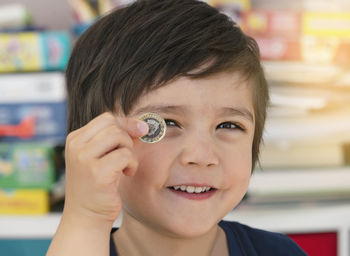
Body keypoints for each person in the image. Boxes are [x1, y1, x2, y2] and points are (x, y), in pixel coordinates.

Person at [47, 0, 307, 255]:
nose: (202, 156)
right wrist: (85, 217)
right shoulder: (78, 244)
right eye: (168, 123)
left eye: (229, 125)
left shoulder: (279, 251)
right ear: (97, 142)